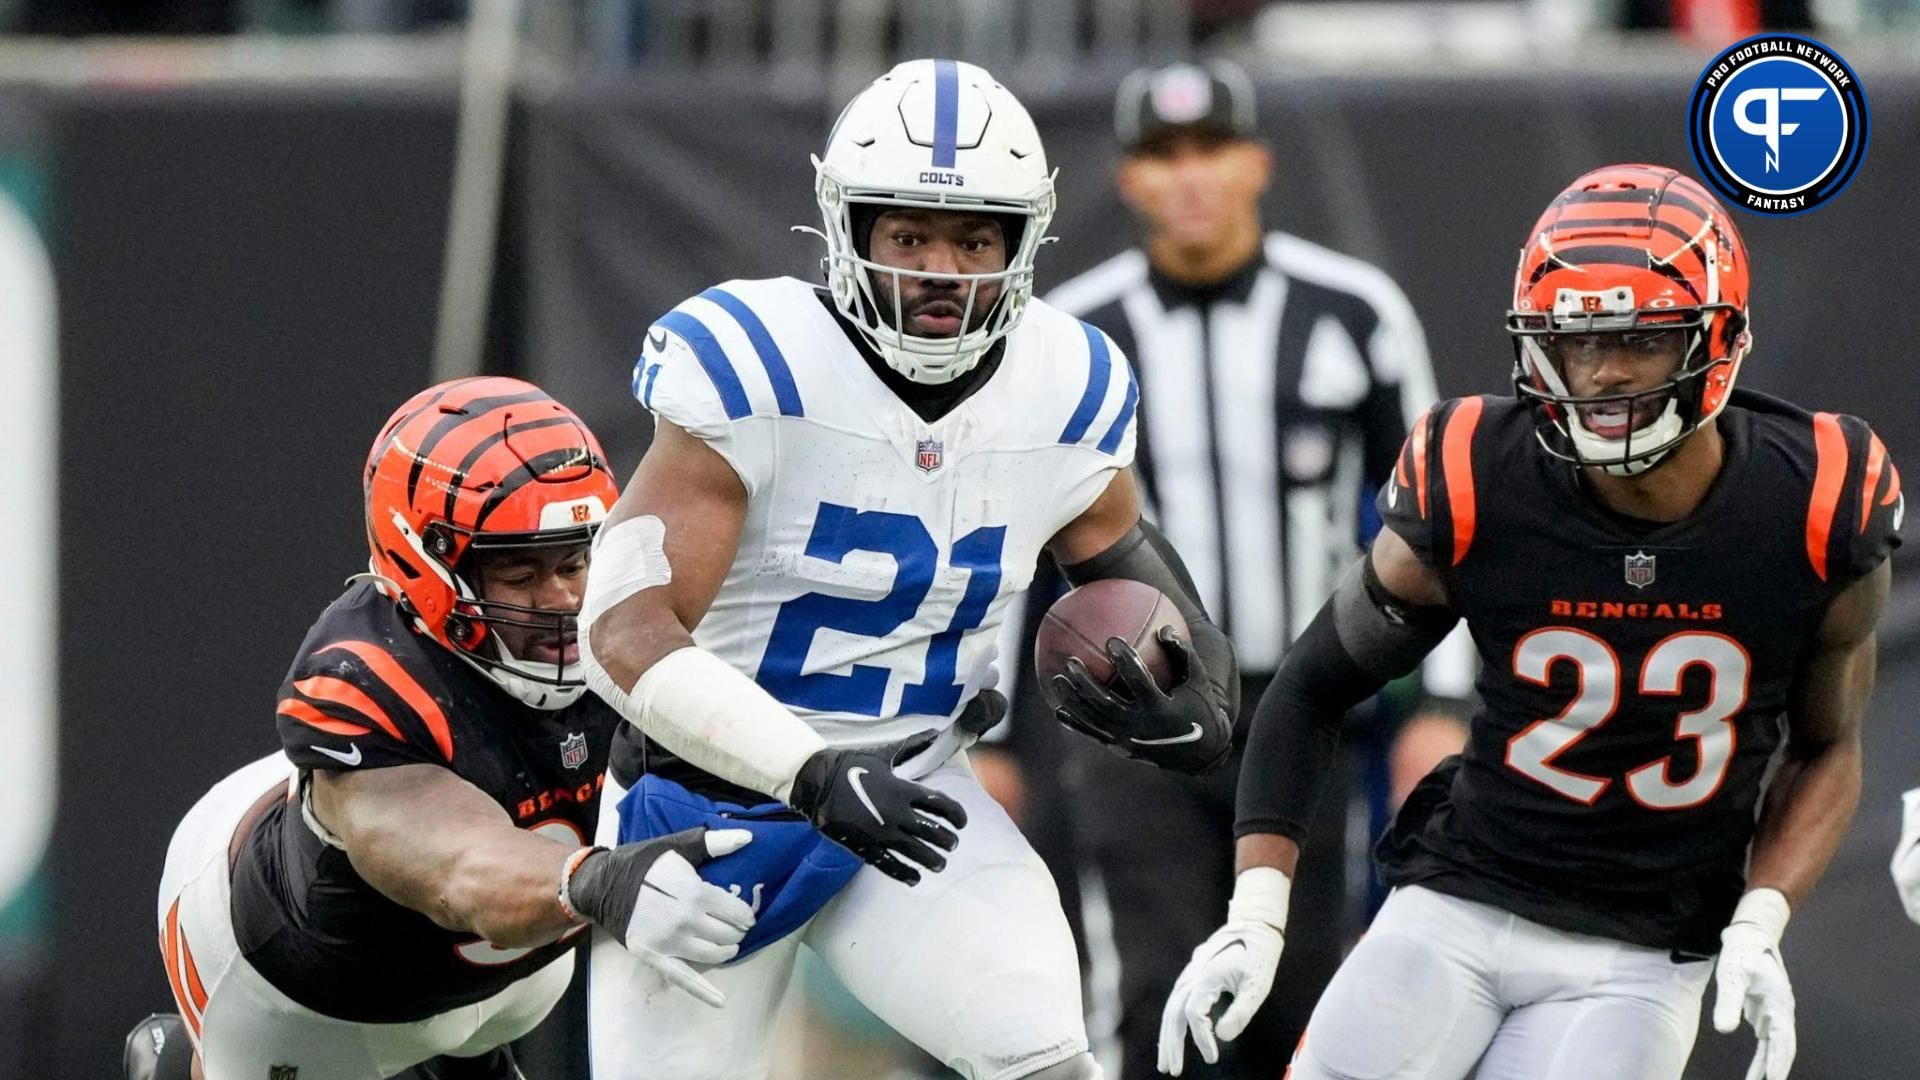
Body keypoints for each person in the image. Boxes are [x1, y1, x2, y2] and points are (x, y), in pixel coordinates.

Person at [1159, 164, 1901, 1080]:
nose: (1603, 372)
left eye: (1641, 337)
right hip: (1459, 903)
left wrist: (1762, 917)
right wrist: (1259, 910)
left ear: (1722, 335)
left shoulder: (1816, 498)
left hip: (1642, 949)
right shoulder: (1480, 469)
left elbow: (1827, 746)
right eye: (1575, 340)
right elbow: (1313, 685)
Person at [579, 58, 1239, 1080]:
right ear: (851, 231)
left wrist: (1194, 685)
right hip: (702, 811)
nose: (942, 265)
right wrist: (807, 770)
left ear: (1023, 241)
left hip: (918, 792)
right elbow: (621, 636)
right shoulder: (754, 361)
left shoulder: (1067, 381)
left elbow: (1142, 585)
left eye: (974, 237)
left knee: (1045, 1057)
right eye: (910, 235)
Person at [1013, 59, 1472, 1077]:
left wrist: (1437, 703)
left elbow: (1438, 514)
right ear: (1127, 179)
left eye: (1210, 150)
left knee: (1303, 986)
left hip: (1302, 704)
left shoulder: (1353, 312)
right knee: (1148, 985)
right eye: (1163, 156)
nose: (1190, 179)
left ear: (1256, 163)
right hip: (1130, 704)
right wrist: (1000, 728)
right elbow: (1020, 536)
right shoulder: (1076, 335)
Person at [133, 377, 760, 1080]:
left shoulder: (618, 621)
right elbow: (462, 871)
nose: (561, 599)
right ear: (427, 565)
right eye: (520, 571)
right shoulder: (367, 681)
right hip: (310, 1003)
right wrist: (603, 881)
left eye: (574, 561)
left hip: (516, 979)